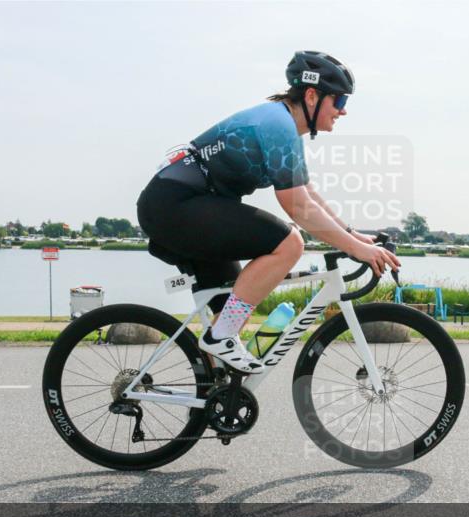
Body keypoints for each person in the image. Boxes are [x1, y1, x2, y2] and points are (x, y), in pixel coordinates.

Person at [137, 50, 399, 374]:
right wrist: (357, 250)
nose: (343, 111)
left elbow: (308, 194)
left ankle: (213, 389)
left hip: (189, 207)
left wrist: (353, 235)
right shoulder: (278, 125)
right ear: (312, 96)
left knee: (230, 312)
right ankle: (220, 338)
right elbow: (298, 208)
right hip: (175, 205)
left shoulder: (286, 127)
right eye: (340, 101)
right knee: (290, 242)